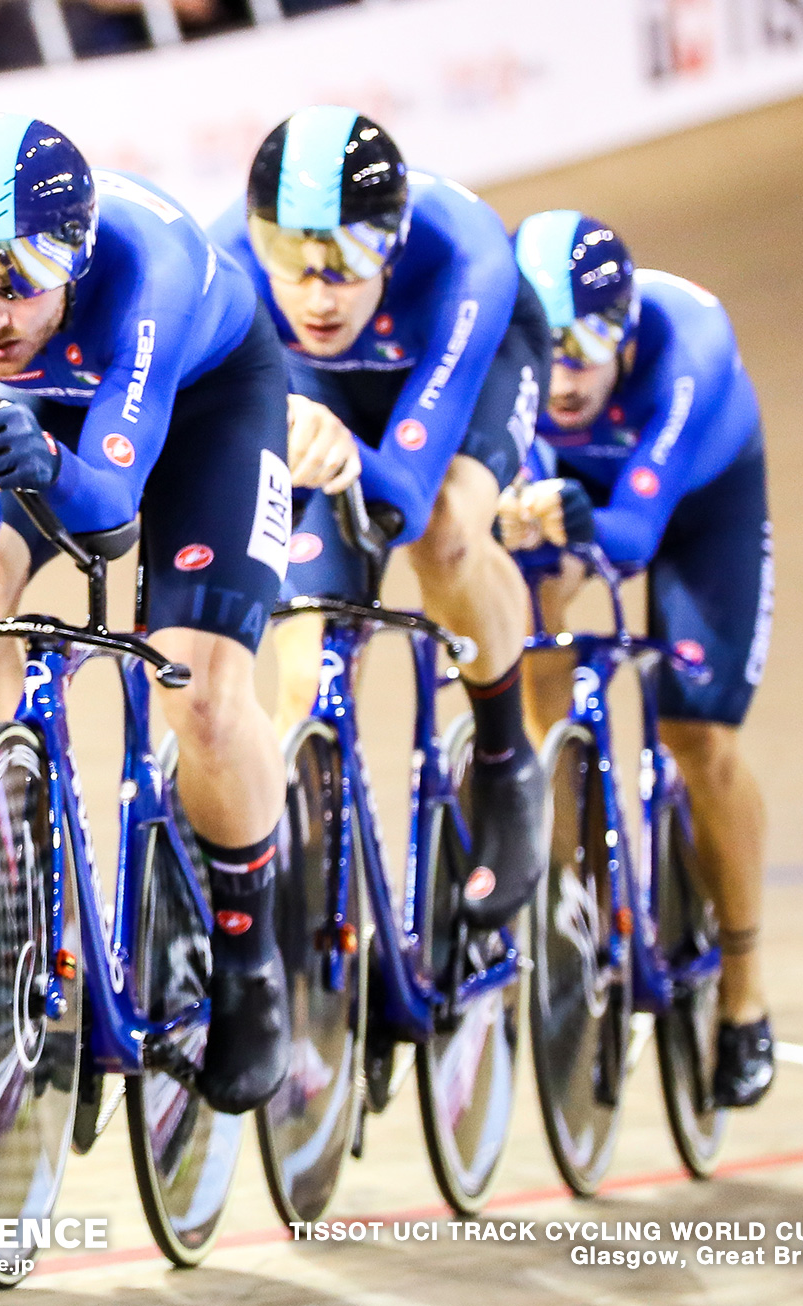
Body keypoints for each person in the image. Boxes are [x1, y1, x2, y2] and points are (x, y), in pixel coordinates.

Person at [0, 114, 295, 1113]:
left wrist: (48, 466)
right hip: (57, 421)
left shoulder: (146, 275)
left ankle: (252, 958)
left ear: (73, 258)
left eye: (22, 276)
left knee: (199, 689)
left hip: (206, 411)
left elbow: (111, 514)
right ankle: (15, 901)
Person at [208, 106, 550, 933]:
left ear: (392, 242)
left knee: (443, 533)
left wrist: (352, 464)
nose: (319, 292)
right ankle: (310, 879)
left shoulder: (466, 254)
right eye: (291, 258)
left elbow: (399, 490)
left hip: (454, 380)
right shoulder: (223, 260)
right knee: (307, 639)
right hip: (316, 391)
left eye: (351, 258)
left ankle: (507, 761)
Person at [502, 211, 775, 1106]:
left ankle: (744, 992)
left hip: (693, 503)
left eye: (588, 349)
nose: (565, 378)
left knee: (697, 736)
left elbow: (634, 533)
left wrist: (574, 523)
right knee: (531, 633)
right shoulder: (516, 362)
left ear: (625, 332)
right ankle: (579, 894)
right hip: (570, 492)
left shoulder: (688, 343)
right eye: (550, 351)